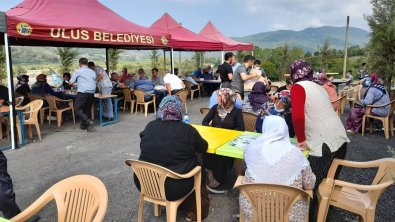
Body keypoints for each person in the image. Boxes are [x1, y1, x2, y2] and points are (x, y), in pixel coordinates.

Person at [290, 60, 349, 220]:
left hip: (324, 145)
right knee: (328, 183)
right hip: (340, 140)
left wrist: (301, 140)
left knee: (308, 186)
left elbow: (297, 116)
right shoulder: (319, 86)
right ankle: (323, 212)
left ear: (294, 75)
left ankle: (308, 216)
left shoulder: (298, 87)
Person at [135, 96, 209, 221]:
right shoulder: (187, 130)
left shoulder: (150, 126)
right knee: (198, 166)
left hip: (144, 182)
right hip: (173, 188)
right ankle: (196, 210)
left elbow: (144, 143)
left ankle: (157, 209)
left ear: (160, 109)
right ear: (179, 111)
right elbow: (203, 147)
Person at [241, 116, 316, 222]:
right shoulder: (296, 154)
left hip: (255, 210)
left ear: (265, 129)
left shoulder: (251, 150)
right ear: (285, 129)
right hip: (289, 215)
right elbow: (309, 184)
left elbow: (245, 171)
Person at [202, 88, 245, 193]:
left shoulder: (236, 112)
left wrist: (227, 135)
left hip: (228, 142)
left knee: (222, 156)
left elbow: (241, 128)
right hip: (215, 140)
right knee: (206, 149)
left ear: (227, 98)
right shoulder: (215, 108)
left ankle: (219, 179)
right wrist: (212, 132)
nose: (217, 99)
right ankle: (210, 173)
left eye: (220, 96)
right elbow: (205, 121)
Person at [70, 58, 97, 131]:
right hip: (91, 93)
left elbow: (71, 82)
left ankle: (88, 121)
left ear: (79, 64)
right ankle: (85, 126)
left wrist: (71, 83)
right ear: (87, 63)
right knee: (86, 110)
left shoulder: (78, 71)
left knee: (77, 109)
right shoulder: (92, 71)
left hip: (83, 93)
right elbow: (90, 81)